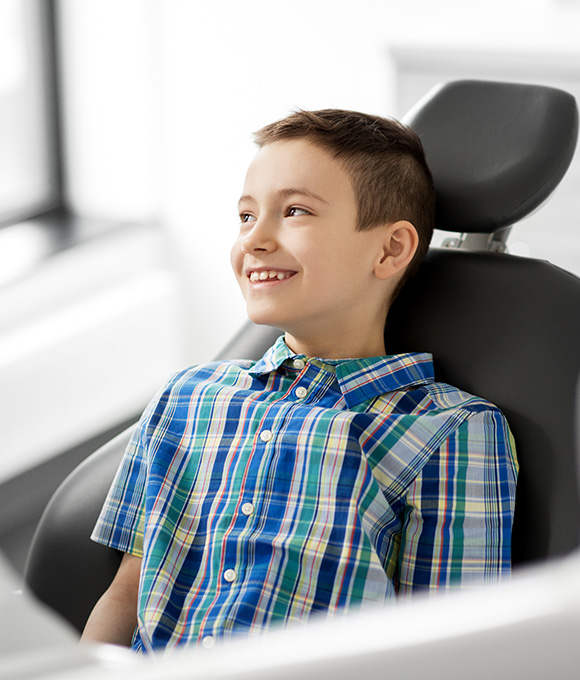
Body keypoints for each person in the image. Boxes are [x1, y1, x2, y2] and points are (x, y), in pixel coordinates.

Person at [81, 109, 518, 652]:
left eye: (293, 211)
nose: (255, 240)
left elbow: (454, 650)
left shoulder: (448, 430)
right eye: (245, 216)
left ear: (390, 249)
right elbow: (127, 595)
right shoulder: (187, 397)